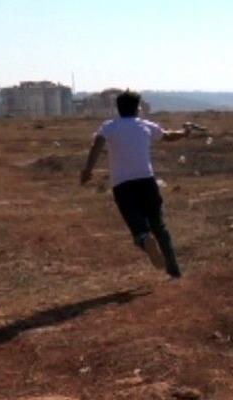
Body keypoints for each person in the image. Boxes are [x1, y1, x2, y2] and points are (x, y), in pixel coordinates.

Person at [80, 90, 191, 278]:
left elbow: (97, 145)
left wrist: (88, 171)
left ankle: (143, 238)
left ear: (118, 108)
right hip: (147, 180)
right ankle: (174, 268)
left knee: (137, 225)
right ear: (137, 108)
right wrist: (185, 132)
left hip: (123, 185)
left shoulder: (110, 126)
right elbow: (168, 135)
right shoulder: (145, 125)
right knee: (159, 225)